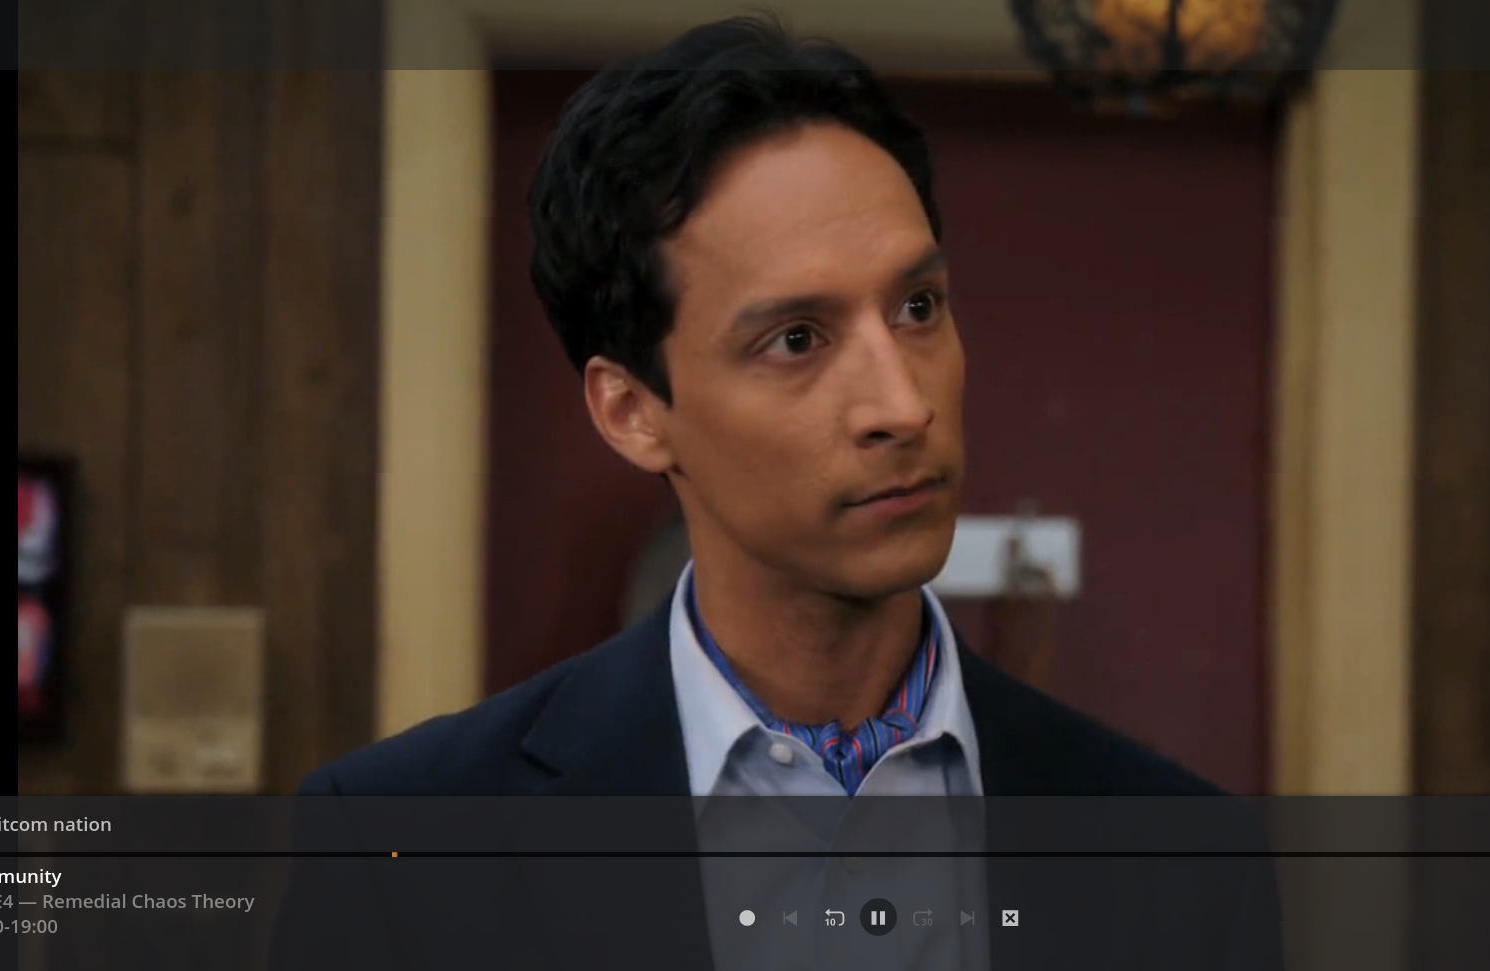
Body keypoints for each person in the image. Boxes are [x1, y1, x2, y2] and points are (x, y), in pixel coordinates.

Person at [273, 15, 1280, 970]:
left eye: (918, 307)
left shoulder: (1185, 861)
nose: (903, 405)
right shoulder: (400, 852)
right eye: (797, 339)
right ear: (633, 411)